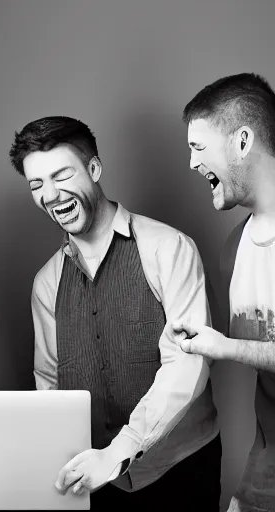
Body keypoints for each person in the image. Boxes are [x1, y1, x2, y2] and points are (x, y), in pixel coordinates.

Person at [9, 116, 221, 511]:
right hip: (95, 485)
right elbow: (49, 384)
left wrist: (118, 451)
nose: (51, 194)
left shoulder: (170, 248)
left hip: (180, 470)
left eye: (61, 175)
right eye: (37, 184)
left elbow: (188, 365)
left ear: (94, 169)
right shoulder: (45, 284)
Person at [173, 73, 275, 512]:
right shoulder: (233, 250)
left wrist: (227, 346)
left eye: (198, 147)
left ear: (241, 141)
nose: (192, 163)